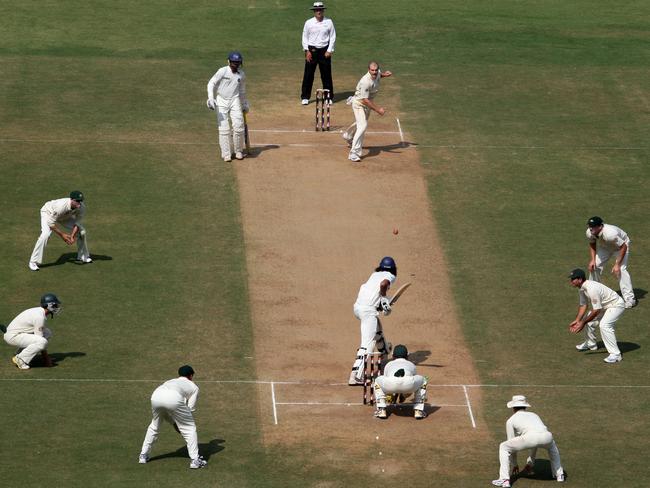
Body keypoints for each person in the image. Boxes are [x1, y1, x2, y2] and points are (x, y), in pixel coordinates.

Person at [138, 365, 207, 469]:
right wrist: (183, 424)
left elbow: (167, 410)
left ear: (179, 375)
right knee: (190, 428)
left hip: (156, 396)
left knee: (155, 425)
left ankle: (143, 455)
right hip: (174, 398)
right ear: (191, 375)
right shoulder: (194, 387)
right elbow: (190, 409)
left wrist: (175, 422)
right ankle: (195, 460)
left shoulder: (170, 381)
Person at [491, 395, 565, 487]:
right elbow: (536, 441)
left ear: (513, 408)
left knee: (504, 447)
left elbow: (512, 446)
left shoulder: (510, 420)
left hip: (531, 438)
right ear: (525, 406)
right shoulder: (534, 415)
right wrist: (530, 463)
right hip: (547, 436)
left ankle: (504, 480)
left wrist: (515, 464)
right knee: (552, 447)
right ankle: (559, 475)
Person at [348, 256, 396, 386]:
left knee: (377, 331)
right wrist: (385, 300)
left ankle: (384, 352)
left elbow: (374, 293)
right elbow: (383, 285)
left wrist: (381, 303)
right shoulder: (390, 275)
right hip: (368, 311)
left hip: (358, 307)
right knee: (367, 344)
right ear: (393, 269)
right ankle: (355, 375)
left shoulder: (374, 274)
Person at [568, 268, 626, 363]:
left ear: (580, 279)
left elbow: (597, 310)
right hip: (605, 305)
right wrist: (578, 320)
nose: (571, 281)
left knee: (604, 325)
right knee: (589, 319)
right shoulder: (582, 289)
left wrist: (583, 322)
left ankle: (616, 355)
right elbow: (583, 305)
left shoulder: (591, 289)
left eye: (573, 279)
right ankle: (591, 344)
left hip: (616, 305)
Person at [28, 191, 91, 271]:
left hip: (64, 216)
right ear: (72, 200)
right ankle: (33, 261)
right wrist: (63, 235)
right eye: (77, 201)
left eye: (81, 201)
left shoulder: (81, 207)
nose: (79, 203)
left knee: (82, 232)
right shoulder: (61, 206)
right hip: (48, 212)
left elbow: (77, 223)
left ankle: (83, 256)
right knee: (45, 234)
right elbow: (51, 223)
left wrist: (72, 236)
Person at [343, 62, 392, 162]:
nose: (374, 72)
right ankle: (354, 153)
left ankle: (348, 135)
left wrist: (385, 75)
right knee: (363, 125)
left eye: (375, 70)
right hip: (359, 103)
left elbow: (379, 75)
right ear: (368, 70)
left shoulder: (377, 73)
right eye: (372, 70)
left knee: (360, 123)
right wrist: (378, 110)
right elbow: (365, 100)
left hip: (367, 104)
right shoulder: (365, 81)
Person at [207, 51, 250, 162]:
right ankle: (226, 153)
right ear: (229, 62)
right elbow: (211, 83)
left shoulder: (241, 75)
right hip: (221, 100)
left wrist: (244, 103)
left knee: (239, 126)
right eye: (234, 62)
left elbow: (242, 91)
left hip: (234, 100)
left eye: (237, 62)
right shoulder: (223, 71)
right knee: (224, 129)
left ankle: (238, 151)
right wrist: (211, 98)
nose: (235, 64)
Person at [585, 216, 637, 308]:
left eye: (593, 226)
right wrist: (592, 260)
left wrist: (617, 264)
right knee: (595, 266)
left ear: (600, 226)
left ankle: (630, 300)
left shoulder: (610, 233)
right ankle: (595, 293)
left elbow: (623, 247)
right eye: (589, 226)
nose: (590, 228)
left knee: (621, 269)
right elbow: (592, 243)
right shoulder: (590, 232)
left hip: (620, 247)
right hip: (605, 246)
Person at [4, 293, 61, 370]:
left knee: (47, 333)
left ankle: (20, 354)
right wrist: (47, 360)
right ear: (48, 305)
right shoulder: (39, 317)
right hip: (13, 336)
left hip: (17, 333)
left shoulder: (39, 311)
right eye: (55, 305)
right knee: (42, 342)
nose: (56, 307)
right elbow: (40, 340)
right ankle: (20, 360)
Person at [373, 344, 427, 419]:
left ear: (393, 356)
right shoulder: (411, 364)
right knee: (423, 380)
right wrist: (404, 393)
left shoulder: (389, 364)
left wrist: (392, 394)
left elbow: (386, 380)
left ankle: (381, 409)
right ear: (407, 356)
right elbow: (413, 381)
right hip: (408, 386)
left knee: (377, 381)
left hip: (390, 385)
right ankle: (418, 410)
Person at [300, 2, 336, 105]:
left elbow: (332, 36)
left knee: (326, 75)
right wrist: (307, 51)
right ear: (314, 11)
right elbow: (304, 37)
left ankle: (328, 97)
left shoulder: (329, 22)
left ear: (323, 10)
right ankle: (305, 97)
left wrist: (329, 50)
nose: (319, 11)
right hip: (312, 50)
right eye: (317, 10)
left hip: (324, 51)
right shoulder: (308, 23)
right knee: (308, 74)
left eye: (320, 10)